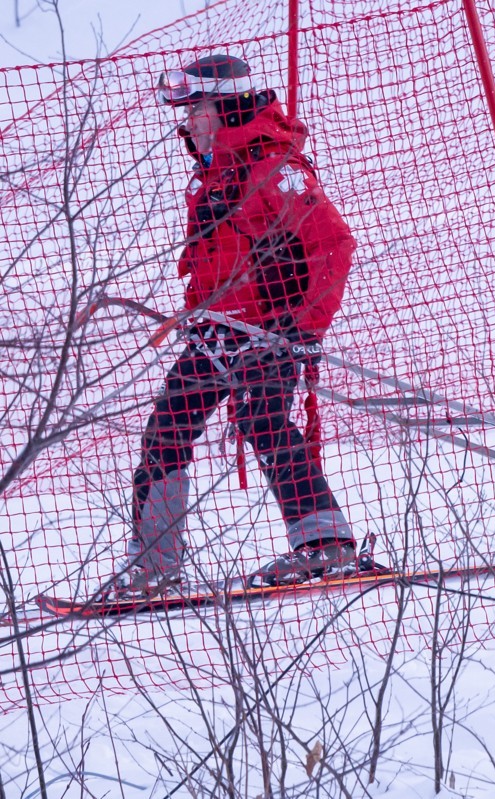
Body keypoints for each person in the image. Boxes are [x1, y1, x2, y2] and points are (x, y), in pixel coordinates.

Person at [113, 54, 366, 596]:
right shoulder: (209, 180)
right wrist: (196, 312)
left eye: (197, 110)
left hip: (272, 331)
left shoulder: (276, 171)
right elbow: (221, 262)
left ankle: (327, 545)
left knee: (262, 420)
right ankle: (154, 566)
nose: (188, 124)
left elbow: (334, 245)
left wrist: (301, 328)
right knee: (167, 430)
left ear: (225, 108)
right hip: (215, 334)